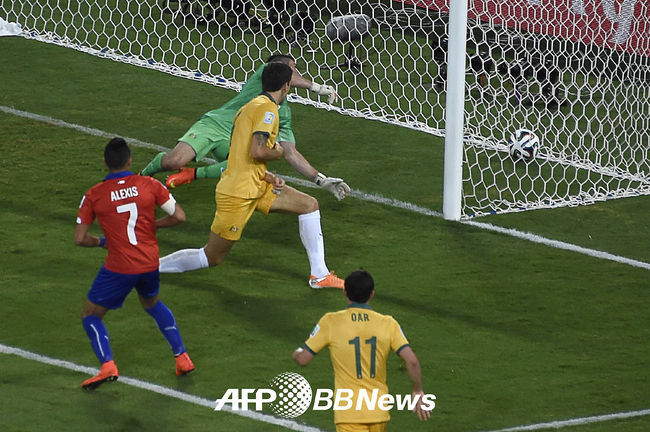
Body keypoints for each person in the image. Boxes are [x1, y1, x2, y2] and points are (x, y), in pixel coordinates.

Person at [158, 62, 345, 289]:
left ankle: (320, 275)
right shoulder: (267, 110)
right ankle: (149, 267)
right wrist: (278, 152)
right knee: (212, 256)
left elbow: (242, 155)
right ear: (286, 86)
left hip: (256, 183)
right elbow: (258, 151)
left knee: (309, 205)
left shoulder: (250, 107)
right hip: (238, 193)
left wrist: (268, 177)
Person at [140, 53, 349, 201]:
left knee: (245, 168)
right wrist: (317, 88)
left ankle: (190, 174)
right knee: (174, 161)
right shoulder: (263, 76)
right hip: (215, 125)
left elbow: (290, 152)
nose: (296, 73)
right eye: (293, 68)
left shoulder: (283, 113)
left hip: (234, 140)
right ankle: (143, 176)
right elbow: (285, 72)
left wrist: (321, 180)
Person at [75, 137, 194, 390]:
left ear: (105, 162)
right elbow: (179, 217)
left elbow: (80, 238)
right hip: (150, 263)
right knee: (152, 303)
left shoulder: (94, 195)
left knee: (91, 315)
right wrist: (153, 225)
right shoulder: (149, 184)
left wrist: (102, 242)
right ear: (129, 161)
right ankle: (182, 357)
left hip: (119, 267)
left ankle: (107, 366)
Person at [292, 269, 432, 431]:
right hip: (379, 412)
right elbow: (412, 361)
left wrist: (296, 353)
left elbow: (303, 359)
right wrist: (418, 390)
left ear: (345, 292)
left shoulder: (331, 321)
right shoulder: (388, 323)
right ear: (372, 294)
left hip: (350, 414)